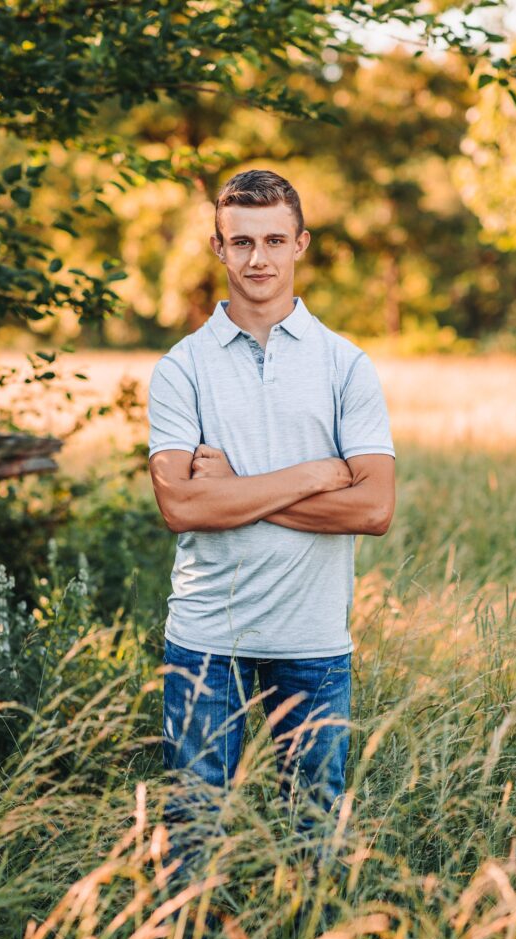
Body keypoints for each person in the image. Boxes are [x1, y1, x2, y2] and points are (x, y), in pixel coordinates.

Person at [146, 169, 395, 879]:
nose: (259, 259)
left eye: (274, 241)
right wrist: (317, 475)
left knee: (310, 851)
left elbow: (374, 508)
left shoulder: (346, 366)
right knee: (192, 847)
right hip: (204, 642)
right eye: (242, 242)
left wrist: (236, 489)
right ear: (218, 249)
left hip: (312, 641)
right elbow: (181, 506)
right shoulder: (181, 368)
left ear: (300, 245)